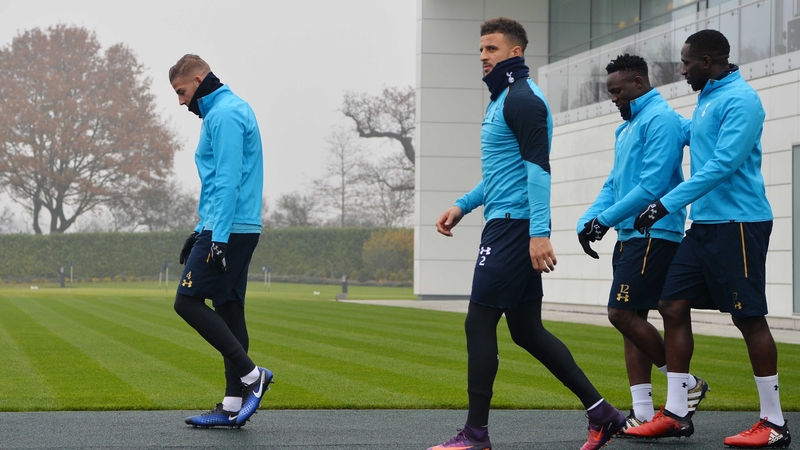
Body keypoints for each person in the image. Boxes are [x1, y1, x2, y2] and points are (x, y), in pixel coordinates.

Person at [430, 17, 625, 450]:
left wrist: (540, 234)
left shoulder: (523, 100)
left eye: (492, 49)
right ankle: (603, 413)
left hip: (515, 231)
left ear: (515, 53)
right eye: (480, 49)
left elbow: (538, 171)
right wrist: (462, 205)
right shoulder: (501, 99)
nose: (483, 56)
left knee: (478, 323)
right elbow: (502, 175)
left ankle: (476, 435)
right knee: (526, 331)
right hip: (506, 223)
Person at [627, 30, 791, 448]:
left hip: (739, 224)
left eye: (685, 63)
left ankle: (774, 424)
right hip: (703, 227)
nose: (681, 70)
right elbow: (685, 134)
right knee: (670, 303)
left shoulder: (742, 100)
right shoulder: (707, 99)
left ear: (705, 62)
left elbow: (721, 165)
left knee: (748, 318)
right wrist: (650, 112)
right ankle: (678, 413)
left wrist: (662, 204)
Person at [577, 54, 708, 435]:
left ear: (638, 83)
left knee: (620, 314)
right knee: (632, 321)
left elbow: (651, 186)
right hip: (630, 236)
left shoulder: (660, 119)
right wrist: (589, 220)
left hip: (656, 234)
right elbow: (613, 184)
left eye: (618, 91)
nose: (614, 98)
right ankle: (643, 412)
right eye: (610, 93)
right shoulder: (628, 127)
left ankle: (687, 385)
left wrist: (605, 221)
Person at [169, 54, 273, 428]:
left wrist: (218, 238)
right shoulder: (221, 112)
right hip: (230, 226)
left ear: (199, 79)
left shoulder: (225, 114)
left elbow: (228, 180)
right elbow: (215, 185)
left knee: (186, 301)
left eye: (181, 92)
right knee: (228, 308)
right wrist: (200, 229)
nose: (181, 101)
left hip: (230, 229)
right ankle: (232, 405)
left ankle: (252, 377)